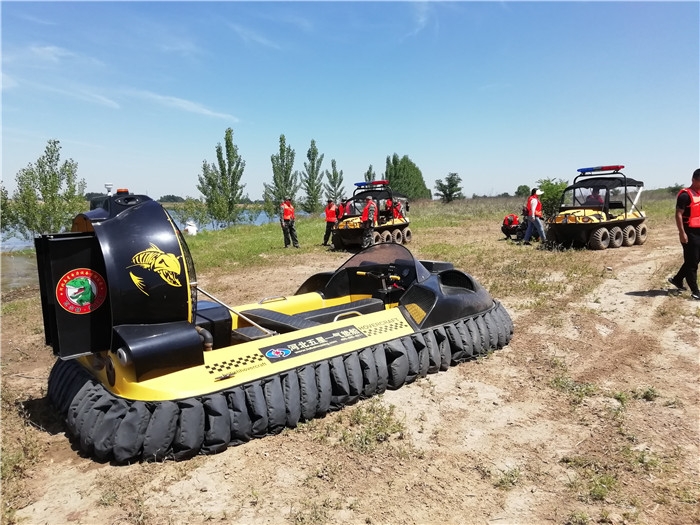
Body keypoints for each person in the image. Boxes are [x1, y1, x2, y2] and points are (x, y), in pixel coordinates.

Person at [668, 168, 700, 300]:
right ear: (693, 180)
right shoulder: (685, 195)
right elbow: (678, 214)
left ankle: (677, 279)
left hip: (699, 230)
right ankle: (695, 291)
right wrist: (682, 233)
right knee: (692, 262)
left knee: (694, 259)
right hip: (689, 232)